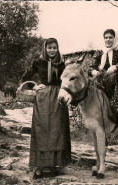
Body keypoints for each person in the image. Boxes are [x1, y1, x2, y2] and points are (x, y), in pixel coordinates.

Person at [21, 38, 71, 179]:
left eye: (54, 47)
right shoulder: (38, 62)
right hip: (42, 99)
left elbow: (68, 79)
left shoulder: (63, 63)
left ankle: (54, 165)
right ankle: (39, 167)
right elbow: (25, 77)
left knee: (57, 130)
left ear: (57, 48)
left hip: (58, 98)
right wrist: (35, 86)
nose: (52, 50)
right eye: (49, 47)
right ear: (45, 48)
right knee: (41, 130)